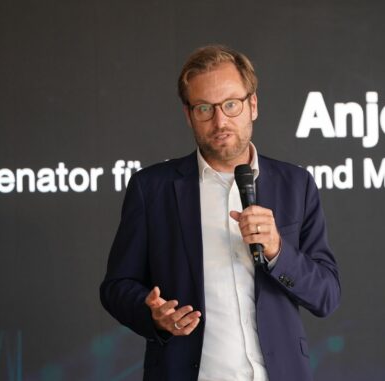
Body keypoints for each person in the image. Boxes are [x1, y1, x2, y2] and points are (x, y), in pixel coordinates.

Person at [100, 45, 340, 381]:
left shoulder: (295, 184)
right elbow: (116, 286)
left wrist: (278, 251)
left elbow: (326, 295)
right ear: (189, 115)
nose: (220, 121)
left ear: (252, 105)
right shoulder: (152, 189)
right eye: (204, 108)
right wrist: (153, 315)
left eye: (231, 104)